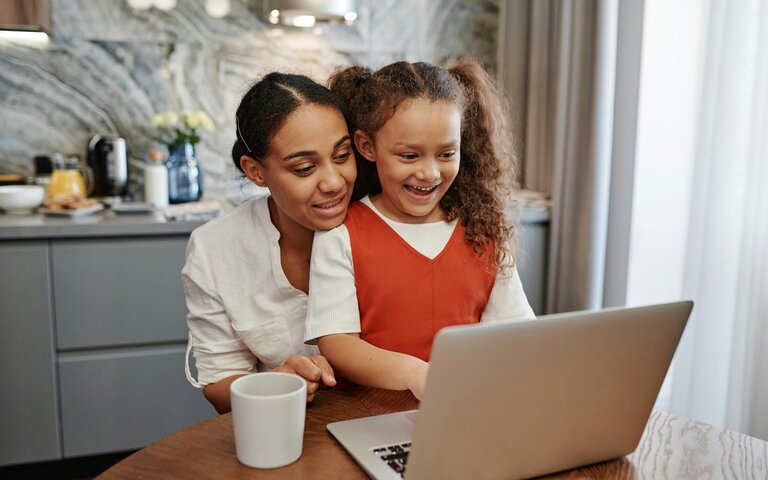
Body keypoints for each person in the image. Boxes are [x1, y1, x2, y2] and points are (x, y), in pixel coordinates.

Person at [304, 60, 536, 400]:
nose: (430, 173)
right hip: (368, 413)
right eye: (409, 156)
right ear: (367, 147)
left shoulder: (482, 230)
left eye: (446, 153)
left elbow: (517, 332)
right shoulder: (340, 236)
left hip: (464, 405)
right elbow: (337, 343)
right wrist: (415, 374)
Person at [183, 72, 357, 413]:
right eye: (304, 168)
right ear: (256, 171)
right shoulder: (215, 248)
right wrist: (275, 384)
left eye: (342, 156)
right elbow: (219, 383)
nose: (334, 183)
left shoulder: (386, 223)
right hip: (289, 427)